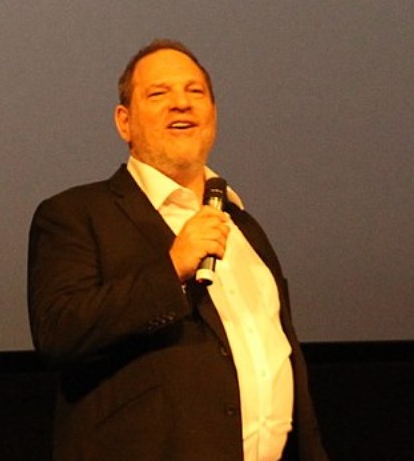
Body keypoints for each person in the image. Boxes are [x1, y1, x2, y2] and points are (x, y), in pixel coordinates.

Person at [27, 39, 328, 461]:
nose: (181, 103)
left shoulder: (244, 227)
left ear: (213, 115)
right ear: (124, 122)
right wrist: (172, 269)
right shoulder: (76, 214)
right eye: (158, 93)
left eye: (195, 92)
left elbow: (281, 356)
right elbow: (59, 332)